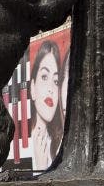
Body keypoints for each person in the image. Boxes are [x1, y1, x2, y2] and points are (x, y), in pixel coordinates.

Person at [30, 40, 64, 170]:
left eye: (56, 81)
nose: (51, 88)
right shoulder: (23, 143)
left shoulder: (60, 142)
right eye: (44, 77)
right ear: (33, 88)